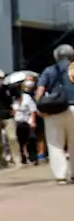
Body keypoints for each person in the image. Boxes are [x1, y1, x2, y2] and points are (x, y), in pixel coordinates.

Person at [34, 43, 74, 183]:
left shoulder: (49, 70)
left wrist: (40, 108)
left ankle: (61, 175)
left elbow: (40, 90)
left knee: (55, 143)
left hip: (54, 110)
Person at [15, 79, 40, 165]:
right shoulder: (13, 99)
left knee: (31, 140)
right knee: (20, 141)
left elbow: (33, 110)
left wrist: (33, 121)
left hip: (27, 122)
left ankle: (33, 158)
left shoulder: (27, 97)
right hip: (17, 123)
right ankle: (23, 158)